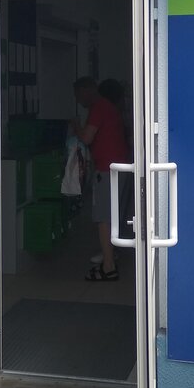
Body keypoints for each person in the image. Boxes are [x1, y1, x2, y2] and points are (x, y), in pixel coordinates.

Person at [71, 76, 129, 281]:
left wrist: (76, 126)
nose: (78, 101)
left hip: (107, 170)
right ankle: (110, 254)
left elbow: (87, 137)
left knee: (104, 218)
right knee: (112, 215)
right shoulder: (107, 107)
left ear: (86, 91)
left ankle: (108, 267)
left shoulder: (98, 108)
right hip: (118, 167)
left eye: (78, 95)